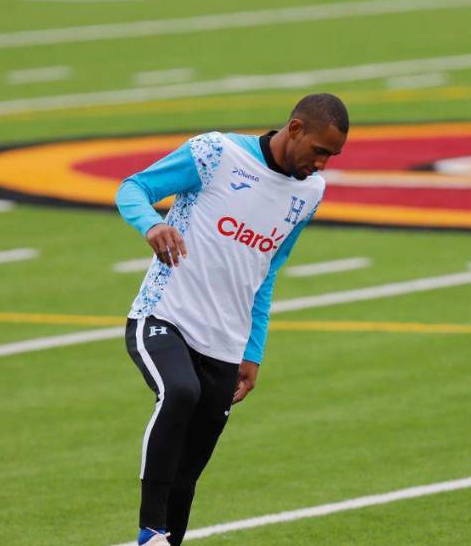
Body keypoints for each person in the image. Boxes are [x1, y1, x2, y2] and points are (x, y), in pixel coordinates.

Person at [114, 93, 348, 546]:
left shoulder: (310, 193)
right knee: (180, 392)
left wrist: (253, 351)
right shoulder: (216, 153)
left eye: (332, 157)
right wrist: (151, 224)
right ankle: (149, 531)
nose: (322, 164)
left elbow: (268, 271)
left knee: (189, 472)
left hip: (226, 345)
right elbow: (133, 187)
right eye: (320, 150)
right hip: (164, 317)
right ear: (295, 129)